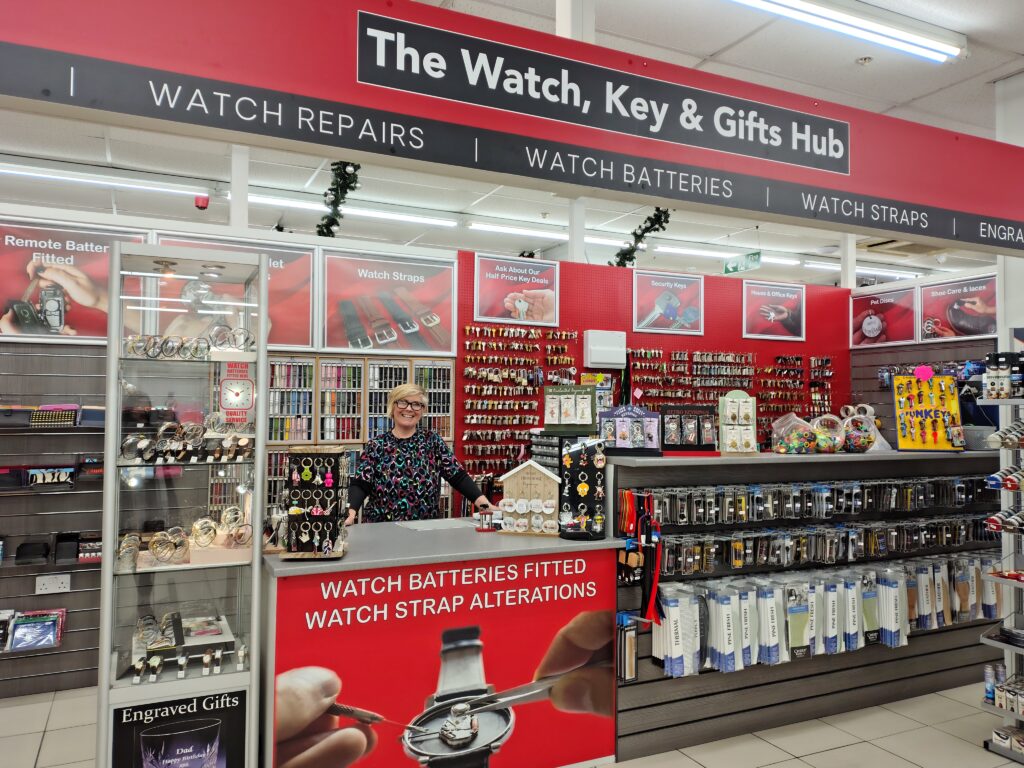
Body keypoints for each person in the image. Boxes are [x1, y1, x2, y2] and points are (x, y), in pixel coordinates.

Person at [345, 384, 491, 524]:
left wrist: (486, 506)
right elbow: (361, 483)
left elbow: (458, 476)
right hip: (382, 528)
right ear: (392, 407)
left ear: (422, 410)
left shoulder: (432, 441)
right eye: (402, 402)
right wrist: (350, 513)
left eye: (416, 404)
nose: (409, 409)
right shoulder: (376, 445)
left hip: (425, 528)